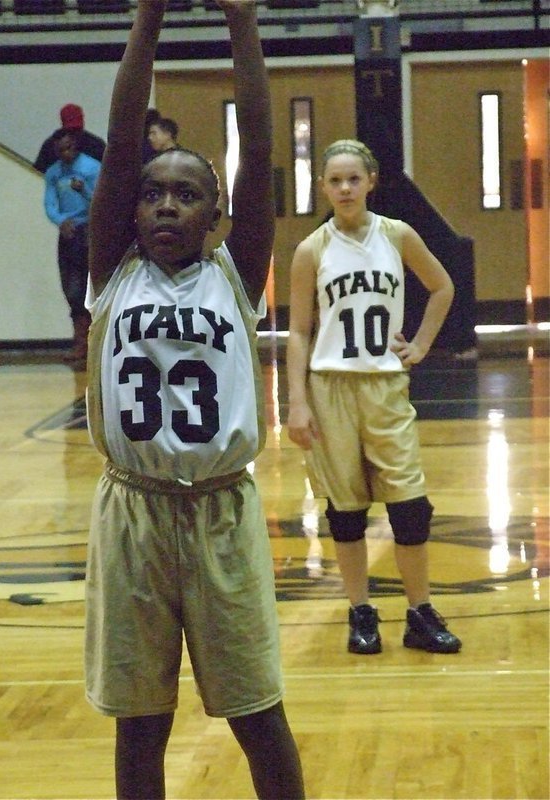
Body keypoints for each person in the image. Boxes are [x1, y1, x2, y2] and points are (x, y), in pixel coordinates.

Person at [84, 2, 305, 799]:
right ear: (131, 213)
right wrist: (149, 15)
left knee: (257, 713)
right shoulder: (113, 272)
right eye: (154, 196)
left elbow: (262, 147)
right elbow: (117, 150)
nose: (168, 206)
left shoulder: (235, 276)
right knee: (140, 722)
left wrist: (241, 19)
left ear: (218, 216)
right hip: (134, 510)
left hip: (220, 510)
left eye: (186, 196)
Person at [287, 138, 462, 656]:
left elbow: (442, 286)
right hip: (329, 386)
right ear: (323, 186)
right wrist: (296, 401)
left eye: (353, 179)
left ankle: (419, 612)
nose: (344, 188)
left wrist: (423, 343)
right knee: (346, 510)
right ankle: (361, 611)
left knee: (410, 507)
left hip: (385, 385)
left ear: (370, 182)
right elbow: (298, 331)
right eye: (335, 180)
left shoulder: (397, 235)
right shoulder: (311, 249)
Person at [43, 130, 100, 363]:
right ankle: (79, 341)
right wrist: (60, 221)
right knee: (71, 288)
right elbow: (49, 203)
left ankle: (93, 343)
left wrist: (84, 190)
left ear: (75, 146)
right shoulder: (54, 172)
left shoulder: (92, 167)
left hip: (89, 231)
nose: (64, 154)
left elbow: (101, 200)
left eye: (68, 148)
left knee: (89, 287)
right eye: (60, 151)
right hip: (68, 232)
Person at [33, 103, 105, 174]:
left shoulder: (97, 147)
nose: (74, 134)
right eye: (70, 130)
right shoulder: (50, 146)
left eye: (77, 129)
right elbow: (37, 175)